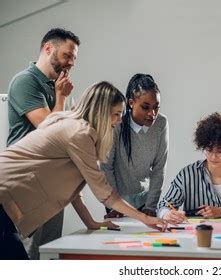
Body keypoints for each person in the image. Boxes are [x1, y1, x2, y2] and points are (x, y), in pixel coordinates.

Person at [0, 81, 167, 260]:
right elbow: (104, 193)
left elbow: (73, 191)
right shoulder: (80, 134)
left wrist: (91, 222)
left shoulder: (78, 129)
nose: (120, 121)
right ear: (102, 112)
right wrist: (145, 218)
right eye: (117, 114)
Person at [6, 28, 80, 259]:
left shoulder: (60, 87)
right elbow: (50, 133)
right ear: (48, 49)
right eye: (67, 55)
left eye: (74, 58)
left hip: (52, 186)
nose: (71, 63)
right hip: (26, 185)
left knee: (49, 253)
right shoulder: (24, 82)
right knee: (27, 256)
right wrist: (61, 99)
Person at [101, 73, 168, 218]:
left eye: (156, 107)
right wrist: (114, 203)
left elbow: (159, 168)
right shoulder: (116, 122)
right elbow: (106, 167)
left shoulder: (161, 123)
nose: (152, 113)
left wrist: (151, 206)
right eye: (145, 107)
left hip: (146, 201)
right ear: (131, 103)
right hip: (117, 201)